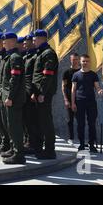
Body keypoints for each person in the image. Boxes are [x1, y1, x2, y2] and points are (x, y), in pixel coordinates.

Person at [31, 29, 59, 159]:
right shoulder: (41, 53)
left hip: (44, 93)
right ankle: (40, 148)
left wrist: (42, 92)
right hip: (39, 93)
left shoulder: (48, 53)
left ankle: (50, 150)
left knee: (46, 122)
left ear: (42, 38)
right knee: (40, 121)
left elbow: (47, 75)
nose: (33, 41)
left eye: (35, 39)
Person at [0, 32, 27, 164]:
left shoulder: (15, 57)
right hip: (9, 97)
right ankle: (13, 148)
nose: (3, 44)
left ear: (12, 41)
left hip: (14, 99)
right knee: (10, 125)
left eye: (5, 41)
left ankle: (19, 154)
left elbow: (14, 79)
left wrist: (10, 97)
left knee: (15, 126)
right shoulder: (10, 57)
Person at [71, 54, 103, 152]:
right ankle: (81, 144)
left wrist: (99, 91)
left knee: (92, 124)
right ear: (80, 62)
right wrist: (73, 103)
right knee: (80, 124)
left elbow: (97, 87)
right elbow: (73, 90)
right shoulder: (76, 75)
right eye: (83, 61)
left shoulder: (93, 74)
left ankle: (92, 145)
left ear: (90, 62)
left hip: (91, 102)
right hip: (79, 102)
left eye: (87, 61)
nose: (85, 63)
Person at [22, 33, 40, 155]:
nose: (24, 43)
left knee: (32, 120)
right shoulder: (27, 57)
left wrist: (35, 92)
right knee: (26, 120)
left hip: (31, 93)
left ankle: (33, 144)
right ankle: (28, 141)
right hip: (25, 92)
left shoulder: (35, 57)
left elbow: (35, 77)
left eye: (26, 41)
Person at [62, 53, 80, 144]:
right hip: (69, 98)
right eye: (73, 59)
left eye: (77, 59)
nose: (75, 61)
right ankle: (71, 138)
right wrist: (65, 99)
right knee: (70, 119)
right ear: (70, 60)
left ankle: (81, 138)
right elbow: (63, 86)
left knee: (80, 119)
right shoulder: (67, 72)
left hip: (80, 99)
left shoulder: (82, 71)